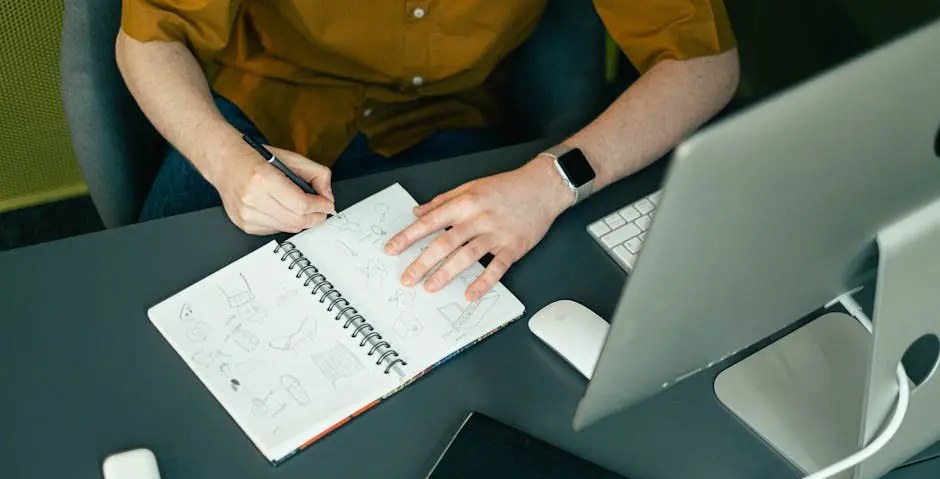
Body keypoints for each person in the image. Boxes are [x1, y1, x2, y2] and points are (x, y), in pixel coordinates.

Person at [116, 1, 739, 301]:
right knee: (152, 325)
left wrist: (552, 181)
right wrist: (225, 160)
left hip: (448, 131)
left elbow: (706, 64)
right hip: (259, 117)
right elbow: (148, 38)